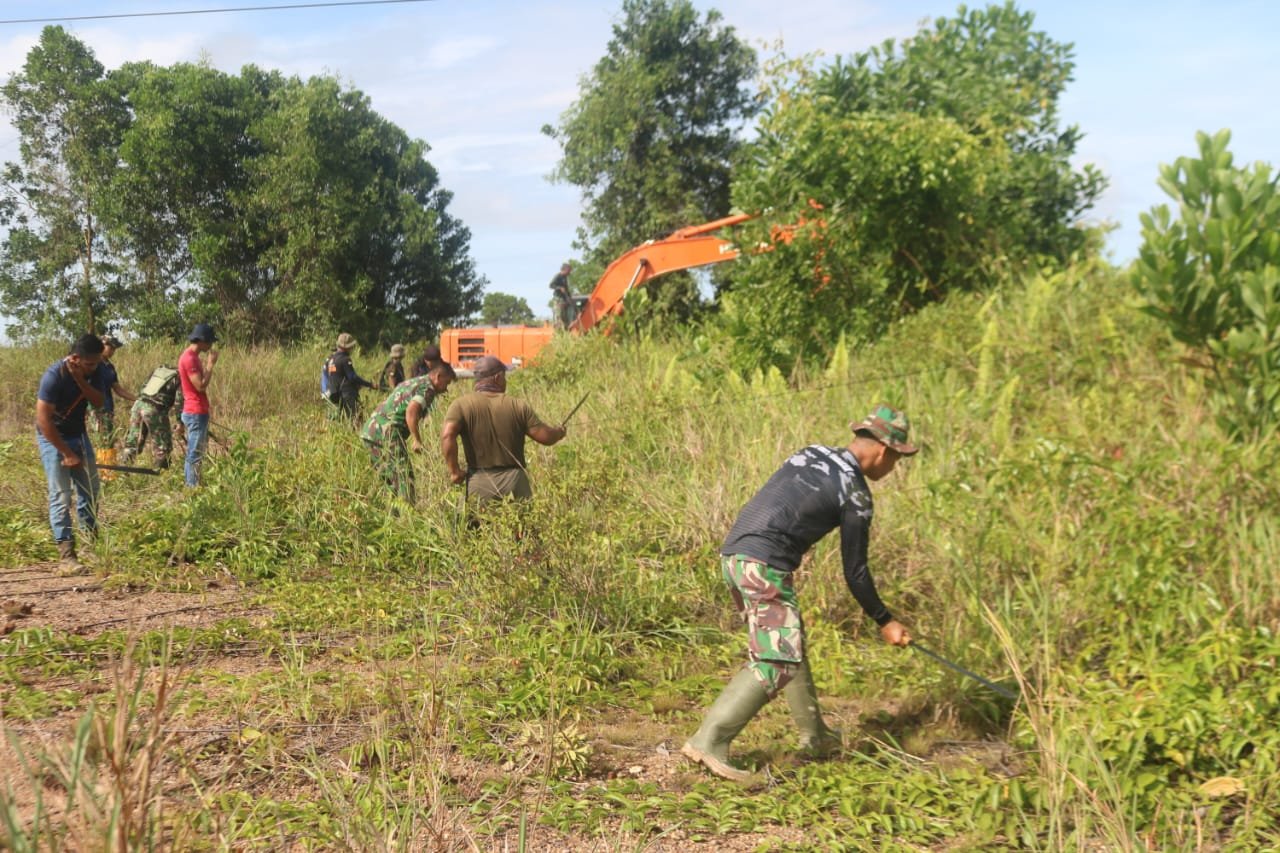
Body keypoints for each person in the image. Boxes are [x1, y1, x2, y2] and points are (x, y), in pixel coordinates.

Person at [681, 404, 919, 785]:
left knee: (790, 640)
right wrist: (885, 620)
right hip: (764, 564)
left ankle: (816, 736)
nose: (893, 468)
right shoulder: (856, 493)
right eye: (896, 460)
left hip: (735, 554)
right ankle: (709, 740)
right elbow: (855, 571)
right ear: (883, 451)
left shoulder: (811, 453)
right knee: (776, 658)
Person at [440, 355, 566, 504]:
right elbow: (546, 437)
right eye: (504, 377)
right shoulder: (518, 405)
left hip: (479, 484)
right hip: (514, 483)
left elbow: (447, 435)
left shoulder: (460, 405)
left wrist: (454, 471)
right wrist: (559, 432)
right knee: (521, 519)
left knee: (478, 519)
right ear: (498, 378)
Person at [35, 333, 109, 575]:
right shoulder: (53, 376)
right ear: (75, 358)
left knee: (91, 490)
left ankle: (91, 545)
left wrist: (81, 380)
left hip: (79, 435)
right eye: (89, 364)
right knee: (61, 496)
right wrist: (66, 453)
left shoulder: (95, 370)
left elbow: (99, 402)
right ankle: (67, 556)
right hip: (52, 437)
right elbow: (43, 421)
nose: (94, 367)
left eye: (96, 363)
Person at [361, 362, 457, 503]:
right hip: (387, 433)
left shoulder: (412, 382)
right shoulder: (428, 389)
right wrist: (417, 440)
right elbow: (411, 412)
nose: (446, 389)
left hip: (370, 431)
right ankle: (408, 512)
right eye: (446, 383)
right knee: (405, 478)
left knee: (389, 480)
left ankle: (392, 512)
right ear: (438, 376)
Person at [120, 364, 185, 469]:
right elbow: (179, 401)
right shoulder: (180, 377)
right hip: (155, 409)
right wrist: (180, 422)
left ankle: (123, 471)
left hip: (138, 405)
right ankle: (161, 473)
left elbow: (143, 388)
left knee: (133, 442)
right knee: (162, 446)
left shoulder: (159, 370)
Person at [179, 323, 219, 487]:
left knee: (196, 452)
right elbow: (200, 386)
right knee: (195, 454)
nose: (211, 345)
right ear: (202, 340)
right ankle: (192, 489)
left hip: (197, 411)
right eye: (210, 342)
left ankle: (192, 484)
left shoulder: (193, 357)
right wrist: (210, 365)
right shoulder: (189, 359)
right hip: (195, 412)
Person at [88, 335, 137, 446]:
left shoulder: (110, 367)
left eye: (114, 349)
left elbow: (118, 389)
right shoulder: (92, 364)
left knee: (109, 438)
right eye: (111, 348)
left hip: (108, 408)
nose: (113, 351)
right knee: (101, 440)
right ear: (101, 346)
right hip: (95, 409)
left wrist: (136, 399)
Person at [325, 333, 373, 422]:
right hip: (346, 395)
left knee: (340, 420)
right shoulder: (345, 359)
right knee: (356, 419)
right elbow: (352, 377)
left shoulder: (331, 359)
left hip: (334, 393)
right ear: (348, 347)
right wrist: (369, 384)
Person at [549, 262, 573, 330]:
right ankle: (558, 330)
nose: (570, 272)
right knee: (558, 316)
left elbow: (566, 288)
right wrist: (559, 288)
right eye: (569, 270)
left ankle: (566, 330)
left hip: (564, 299)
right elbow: (551, 285)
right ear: (565, 269)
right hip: (558, 300)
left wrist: (569, 297)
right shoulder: (558, 276)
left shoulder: (565, 277)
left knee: (565, 317)